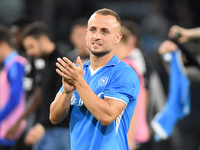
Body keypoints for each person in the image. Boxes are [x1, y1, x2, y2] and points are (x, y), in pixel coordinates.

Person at [49, 8, 140, 150]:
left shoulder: (123, 73)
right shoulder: (78, 71)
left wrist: (78, 82)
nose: (97, 36)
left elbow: (106, 116)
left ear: (118, 37)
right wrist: (66, 93)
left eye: (105, 31)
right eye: (92, 30)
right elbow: (54, 117)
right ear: (86, 33)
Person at [8, 21, 71, 150]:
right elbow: (41, 97)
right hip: (47, 129)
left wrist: (41, 125)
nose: (29, 52)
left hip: (60, 131)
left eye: (31, 46)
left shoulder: (62, 64)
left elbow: (65, 100)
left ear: (43, 39)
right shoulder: (44, 64)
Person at [113, 26, 150, 150]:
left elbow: (130, 106)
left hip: (126, 137)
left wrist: (129, 140)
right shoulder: (130, 65)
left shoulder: (126, 68)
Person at [0, 25, 27, 150]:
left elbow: (15, 98)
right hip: (7, 127)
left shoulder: (16, 64)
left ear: (3, 44)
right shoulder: (8, 66)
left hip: (13, 129)